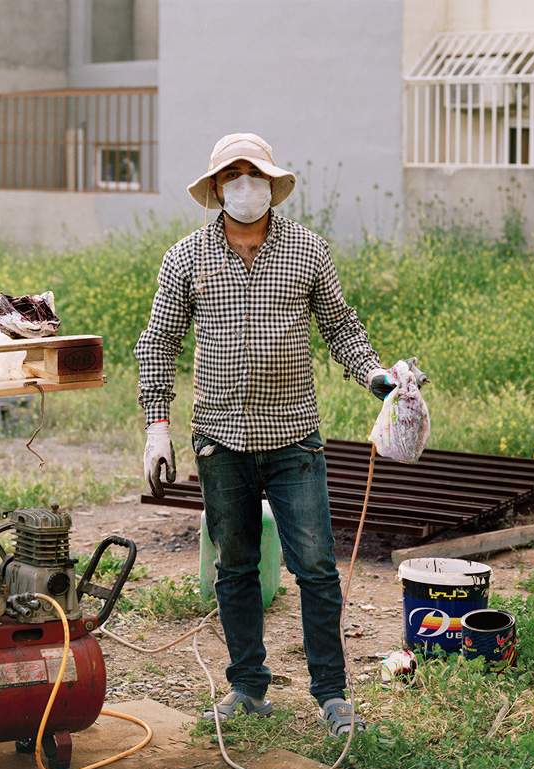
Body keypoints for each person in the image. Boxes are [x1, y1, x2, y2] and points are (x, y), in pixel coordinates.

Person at [133, 133, 394, 737]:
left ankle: (331, 693)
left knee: (318, 568)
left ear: (271, 185)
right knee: (235, 567)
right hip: (220, 440)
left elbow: (342, 332)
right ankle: (247, 687)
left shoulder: (307, 251)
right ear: (217, 188)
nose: (244, 185)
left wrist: (378, 378)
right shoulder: (186, 259)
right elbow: (159, 344)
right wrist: (156, 426)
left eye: (254, 174)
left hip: (293, 438)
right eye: (233, 175)